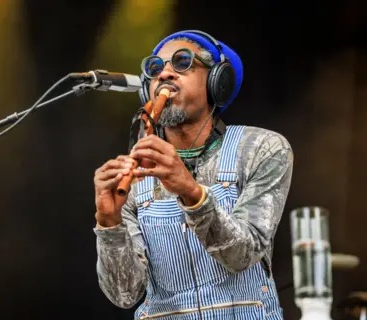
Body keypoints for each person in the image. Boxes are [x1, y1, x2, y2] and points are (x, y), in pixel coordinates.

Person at [93, 29, 293, 319]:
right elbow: (124, 294)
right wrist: (108, 224)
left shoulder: (262, 149)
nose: (165, 74)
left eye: (183, 62)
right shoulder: (135, 174)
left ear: (217, 82)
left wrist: (191, 192)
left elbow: (242, 256)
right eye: (155, 68)